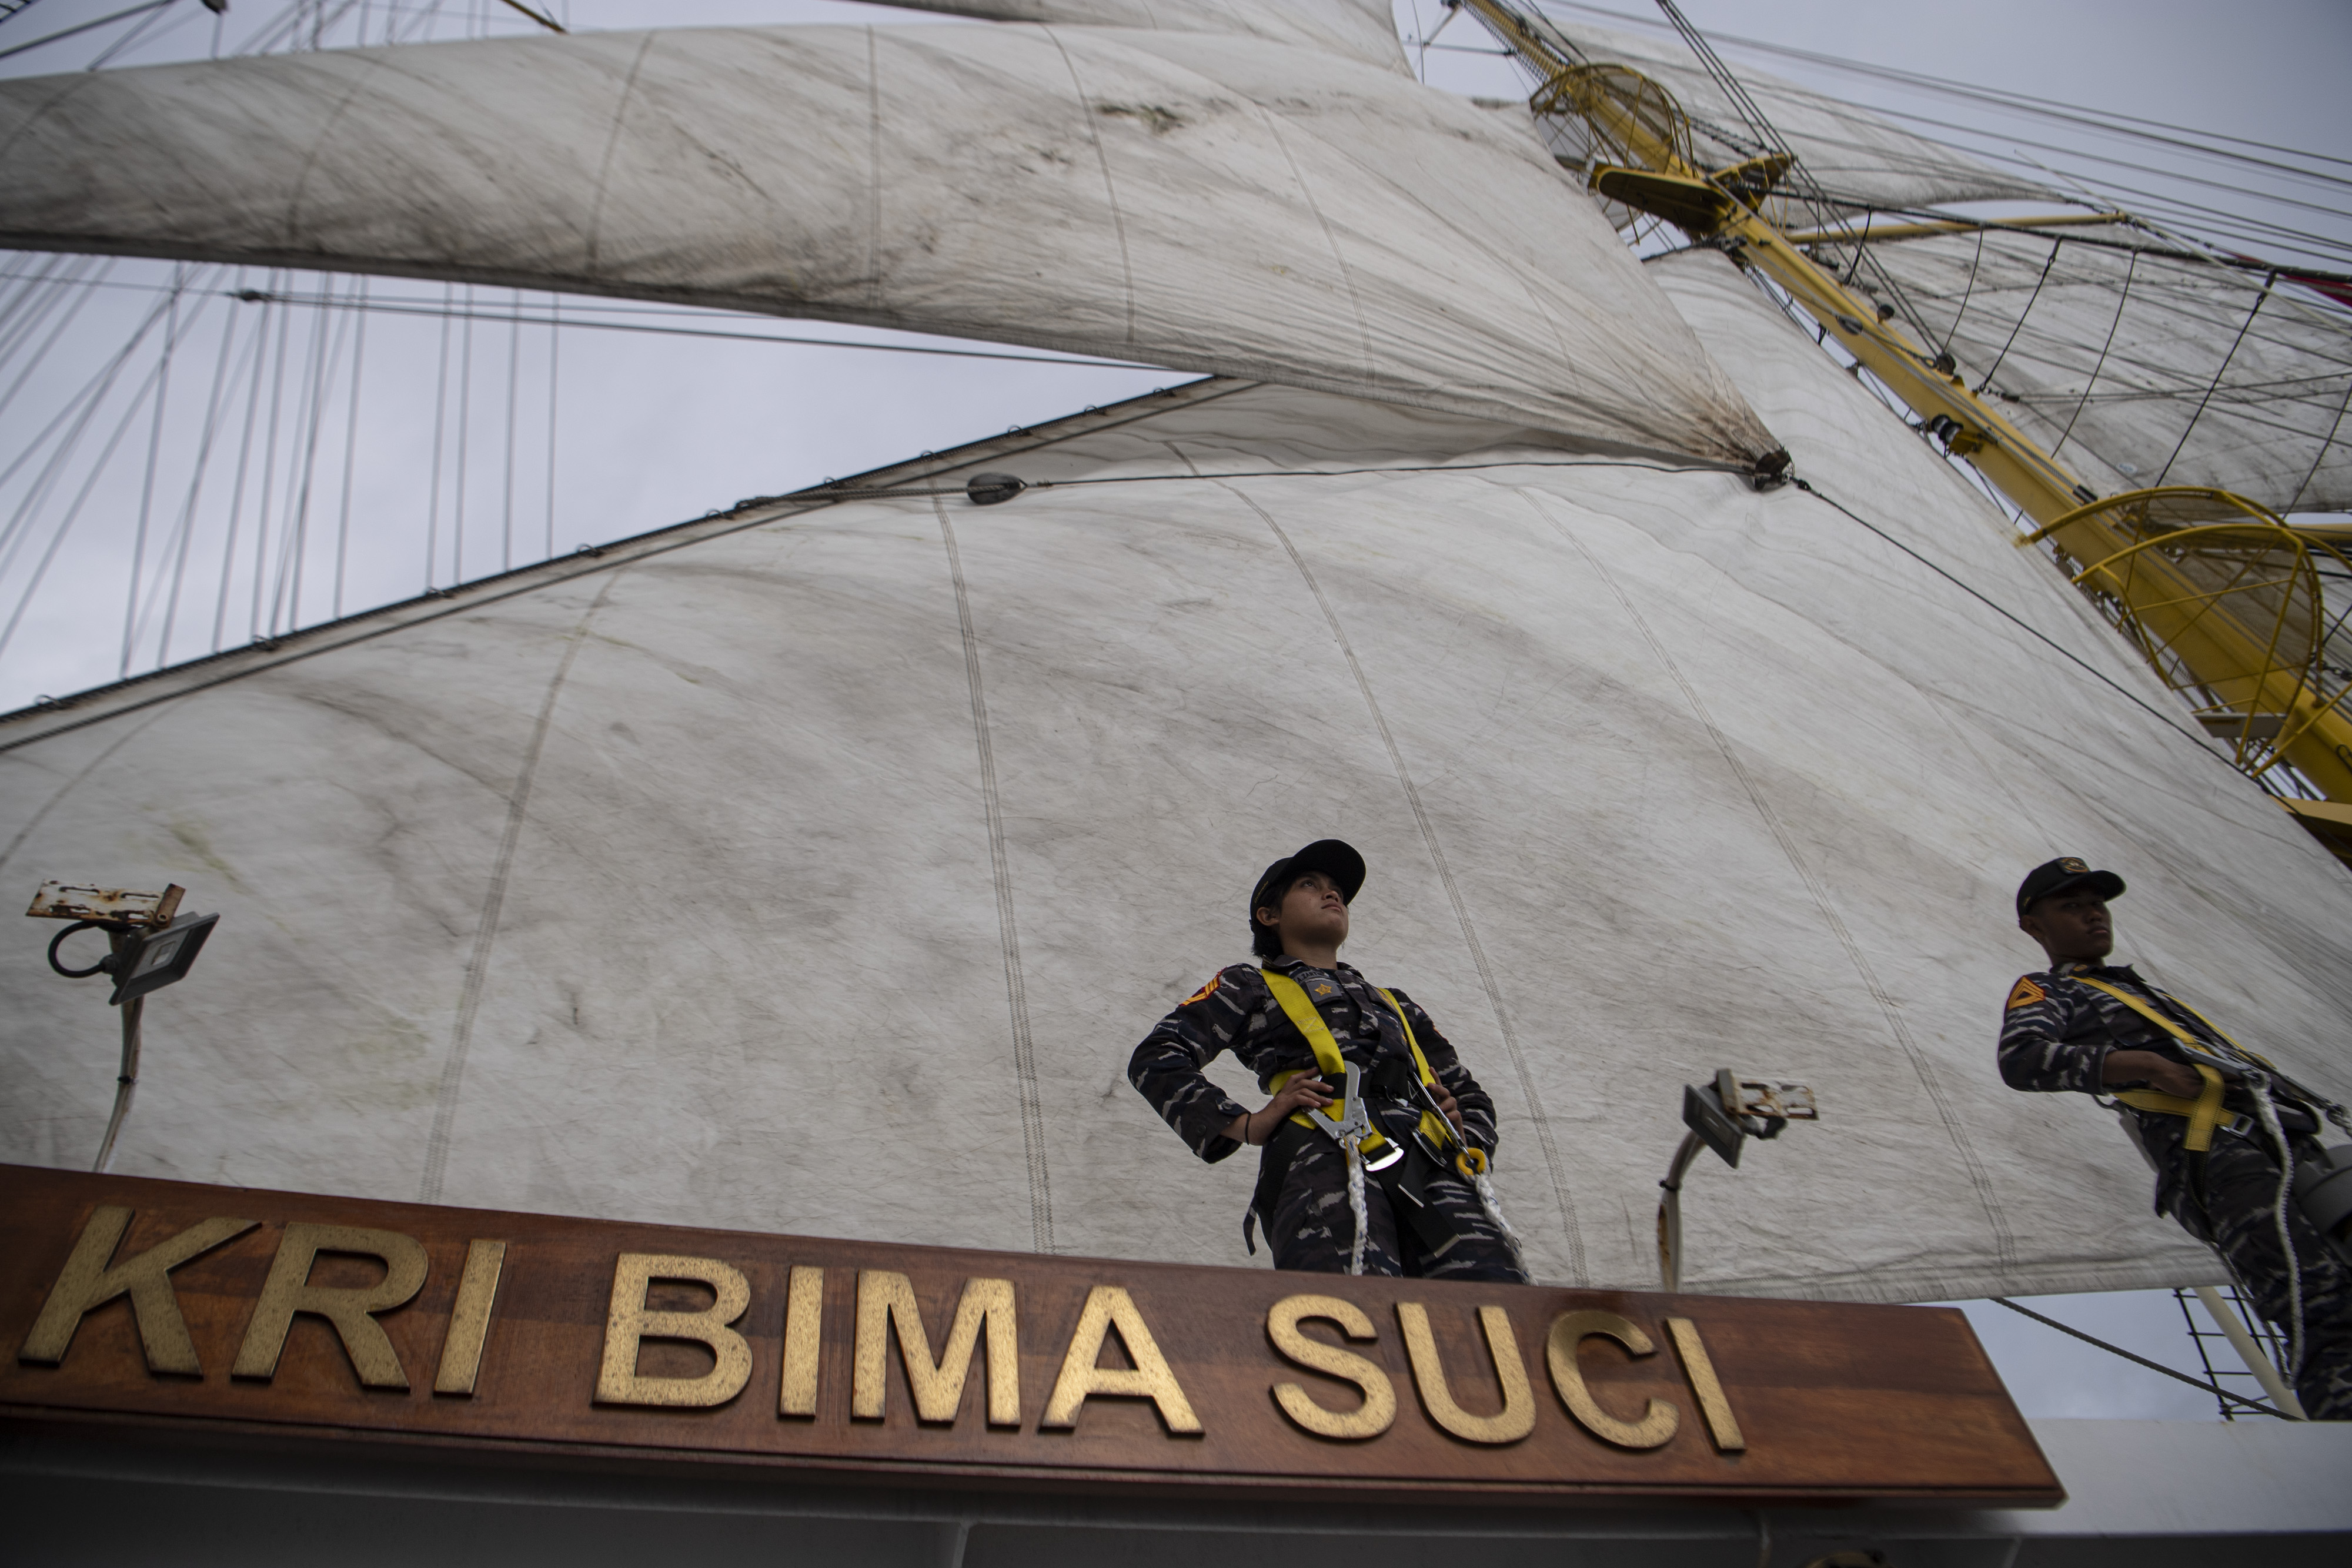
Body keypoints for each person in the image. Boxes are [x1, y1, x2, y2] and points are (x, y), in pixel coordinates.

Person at [1998, 856, 2352, 1419]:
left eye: (2097, 904)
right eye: (2072, 906)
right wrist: (2145, 1064)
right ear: (2034, 926)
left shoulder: (2141, 990)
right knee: (2315, 1298)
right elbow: (2022, 1060)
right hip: (2216, 1152)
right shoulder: (2045, 989)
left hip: (2283, 1140)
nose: (2093, 916)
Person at [1127, 839, 1526, 1282]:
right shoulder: (1248, 985)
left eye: (1337, 888)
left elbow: (1469, 1093)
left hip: (1432, 1165)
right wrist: (1244, 1124)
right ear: (1269, 914)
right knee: (1353, 1316)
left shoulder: (1396, 1004)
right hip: (1321, 1162)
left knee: (1494, 1304)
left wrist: (1465, 1134)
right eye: (1309, 884)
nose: (1331, 893)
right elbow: (1157, 1057)